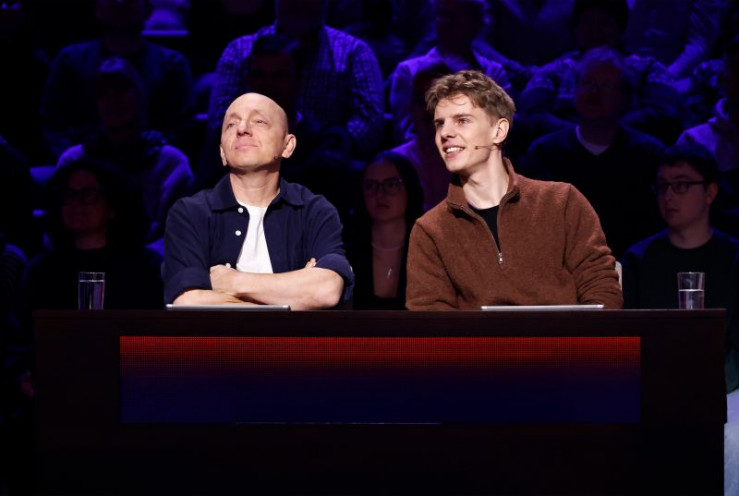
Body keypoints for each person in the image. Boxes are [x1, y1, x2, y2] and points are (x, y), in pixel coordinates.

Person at [405, 70, 622, 310]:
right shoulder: (430, 230)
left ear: (499, 131)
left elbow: (602, 288)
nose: (445, 133)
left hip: (566, 335)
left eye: (462, 120)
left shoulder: (562, 203)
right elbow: (430, 317)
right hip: (479, 337)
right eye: (440, 124)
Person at [164, 92, 354, 309]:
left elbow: (326, 290)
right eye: (231, 124)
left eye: (259, 121)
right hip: (221, 336)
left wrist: (231, 282)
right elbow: (188, 302)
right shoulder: (191, 213)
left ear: (288, 146)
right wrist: (295, 296)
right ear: (222, 152)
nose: (242, 129)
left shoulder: (314, 211)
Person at [523, 47, 664, 258]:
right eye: (587, 83)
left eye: (605, 85)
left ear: (624, 98)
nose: (594, 92)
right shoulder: (545, 153)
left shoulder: (648, 155)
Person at [620, 143, 739, 391]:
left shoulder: (734, 258)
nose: (669, 196)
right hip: (654, 388)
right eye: (662, 186)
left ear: (710, 192)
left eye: (681, 185)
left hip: (727, 391)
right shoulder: (637, 260)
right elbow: (626, 338)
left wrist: (713, 383)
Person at [207, 0, 384, 158]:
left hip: (329, 167)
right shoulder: (240, 52)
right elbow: (220, 121)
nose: (298, 3)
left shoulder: (354, 53)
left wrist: (330, 150)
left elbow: (369, 125)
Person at [57, 57, 193, 249]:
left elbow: (180, 233)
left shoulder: (171, 164)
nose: (112, 101)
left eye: (120, 91)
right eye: (103, 93)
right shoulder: (73, 161)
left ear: (140, 95)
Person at [41, 0, 193, 159]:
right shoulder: (69, 60)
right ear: (97, 8)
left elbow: (181, 132)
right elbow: (54, 127)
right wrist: (76, 162)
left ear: (147, 9)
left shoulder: (172, 64)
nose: (120, 2)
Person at [22, 157, 164, 312]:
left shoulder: (147, 269)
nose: (76, 203)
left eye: (88, 194)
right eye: (69, 194)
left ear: (113, 205)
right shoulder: (41, 272)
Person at [388, 0, 511, 143]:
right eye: (441, 15)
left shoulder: (494, 73)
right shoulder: (409, 72)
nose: (445, 22)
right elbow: (406, 132)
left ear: (476, 22)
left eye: (454, 16)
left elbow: (499, 131)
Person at [345, 152, 424, 310]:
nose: (380, 194)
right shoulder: (347, 249)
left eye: (391, 184)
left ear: (409, 188)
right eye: (371, 186)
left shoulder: (428, 246)